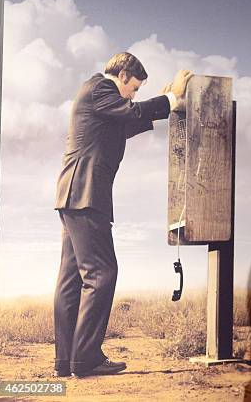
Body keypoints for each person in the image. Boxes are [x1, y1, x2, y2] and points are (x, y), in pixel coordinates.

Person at [53, 52, 192, 378]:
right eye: (134, 89)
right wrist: (173, 97)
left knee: (72, 280)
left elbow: (127, 123)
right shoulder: (100, 88)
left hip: (74, 197)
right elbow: (131, 112)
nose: (133, 96)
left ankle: (66, 360)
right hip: (86, 196)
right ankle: (85, 359)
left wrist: (167, 106)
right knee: (102, 274)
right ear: (124, 74)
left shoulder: (101, 103)